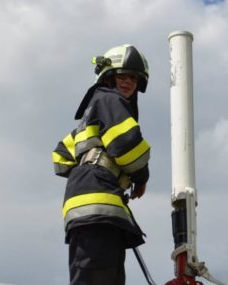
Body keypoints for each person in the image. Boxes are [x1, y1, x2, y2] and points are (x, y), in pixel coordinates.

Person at [52, 44, 152, 285]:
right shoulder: (108, 99)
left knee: (101, 277)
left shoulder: (90, 119)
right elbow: (127, 143)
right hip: (97, 202)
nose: (128, 83)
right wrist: (141, 177)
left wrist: (89, 166)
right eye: (122, 76)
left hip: (92, 203)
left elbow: (60, 156)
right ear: (107, 77)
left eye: (134, 79)